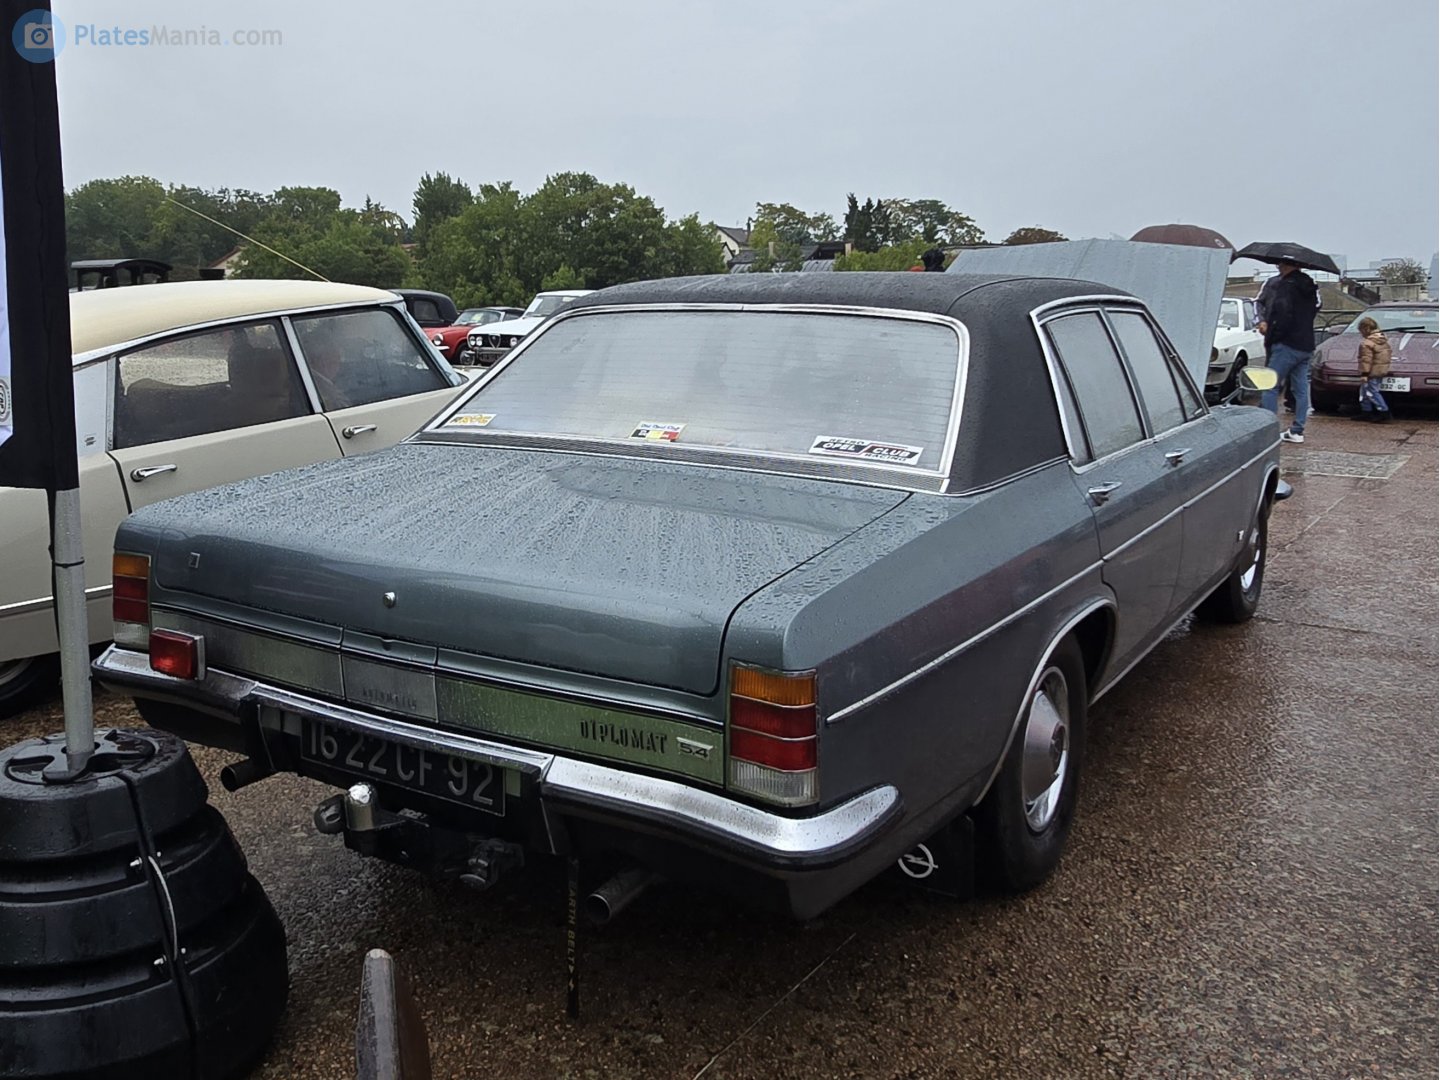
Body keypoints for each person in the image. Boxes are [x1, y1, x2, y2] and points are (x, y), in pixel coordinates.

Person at [1257, 259, 1318, 443]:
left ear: (1288, 266)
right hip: (1306, 343)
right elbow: (1314, 310)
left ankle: (1268, 430)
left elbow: (1282, 313)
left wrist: (1274, 336)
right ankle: (1297, 430)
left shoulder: (1285, 285)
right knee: (1300, 390)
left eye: (1281, 265)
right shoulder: (1310, 287)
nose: (1279, 268)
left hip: (1287, 344)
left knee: (1270, 385)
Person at [1352, 315, 1393, 423]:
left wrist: (1364, 374)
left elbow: (1366, 360)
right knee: (1366, 391)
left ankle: (1384, 412)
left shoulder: (1367, 343)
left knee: (1371, 392)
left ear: (1365, 329)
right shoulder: (1383, 340)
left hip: (1371, 372)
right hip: (1380, 370)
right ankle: (1367, 411)